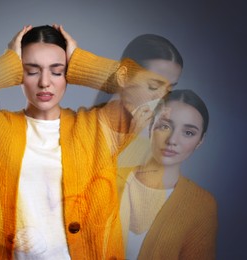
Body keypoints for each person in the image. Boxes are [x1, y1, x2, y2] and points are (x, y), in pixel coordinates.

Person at [0, 25, 162, 259]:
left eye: (57, 71)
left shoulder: (98, 127)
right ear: (19, 75)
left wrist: (79, 61)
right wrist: (8, 63)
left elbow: (148, 87)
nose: (45, 82)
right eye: (31, 70)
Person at [117, 89, 218, 259]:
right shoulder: (107, 179)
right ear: (150, 127)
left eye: (188, 133)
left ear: (200, 140)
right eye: (164, 126)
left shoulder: (202, 205)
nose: (172, 140)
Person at [66, 33, 183, 167]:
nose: (161, 98)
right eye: (153, 86)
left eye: (169, 90)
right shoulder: (76, 130)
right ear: (123, 76)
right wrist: (78, 61)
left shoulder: (156, 142)